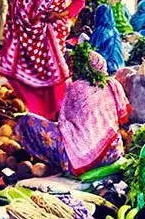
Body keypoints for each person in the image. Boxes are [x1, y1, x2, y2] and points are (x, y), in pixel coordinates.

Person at [0, 0, 86, 120]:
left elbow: (79, 0)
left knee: (53, 70)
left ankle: (57, 111)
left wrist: (60, 14)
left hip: (52, 30)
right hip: (29, 31)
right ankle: (36, 112)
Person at [15, 48, 130, 176]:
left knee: (27, 121)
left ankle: (59, 163)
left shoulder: (77, 88)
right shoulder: (113, 84)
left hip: (84, 157)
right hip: (112, 151)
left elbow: (62, 120)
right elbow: (123, 117)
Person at [88, 4, 124, 73]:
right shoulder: (114, 30)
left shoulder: (100, 31)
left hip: (108, 67)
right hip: (119, 65)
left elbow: (92, 51)